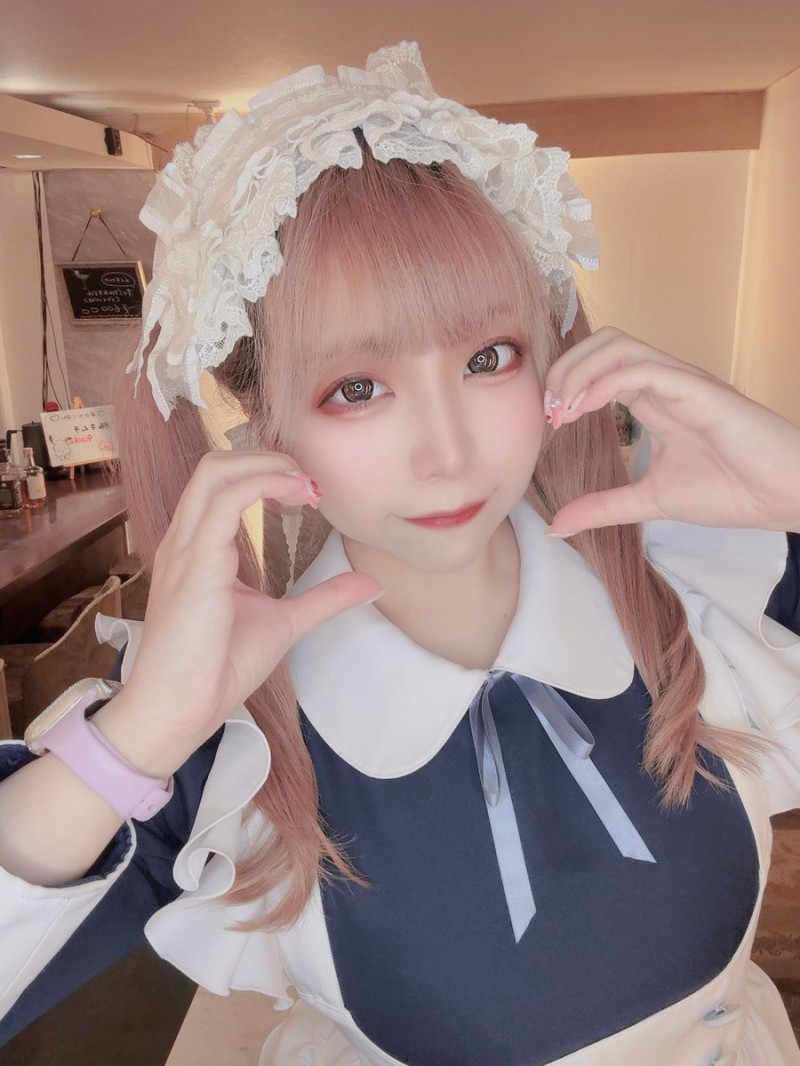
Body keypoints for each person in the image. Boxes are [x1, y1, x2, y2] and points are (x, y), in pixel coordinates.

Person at [1, 41, 799, 1066]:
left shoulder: (693, 586)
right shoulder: (221, 734)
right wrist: (137, 739)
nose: (447, 453)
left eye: (487, 357)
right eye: (357, 388)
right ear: (261, 415)